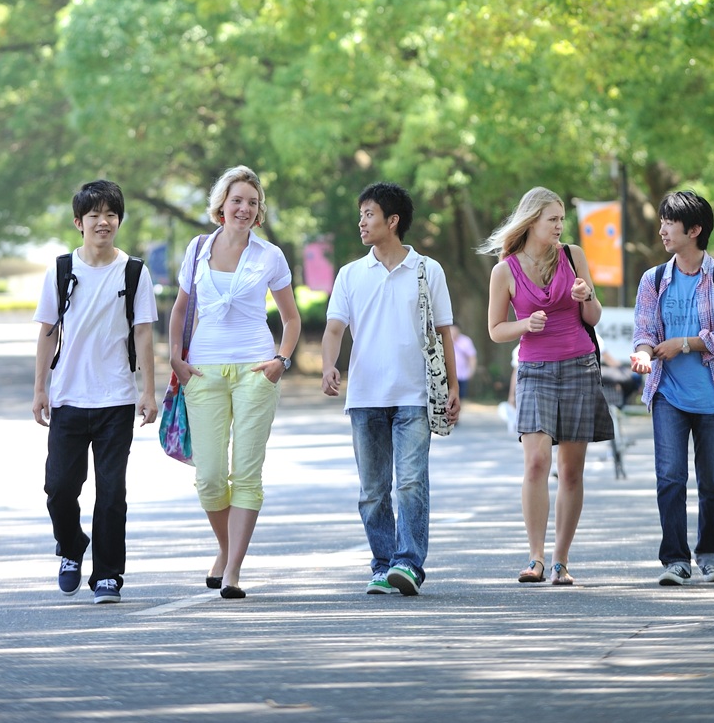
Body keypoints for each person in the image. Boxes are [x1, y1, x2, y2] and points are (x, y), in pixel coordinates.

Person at [168, 164, 300, 600]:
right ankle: (225, 550)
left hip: (255, 371)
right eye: (237, 200)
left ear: (259, 212)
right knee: (209, 476)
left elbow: (291, 318)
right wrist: (175, 358)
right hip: (203, 371)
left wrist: (281, 359)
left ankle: (233, 571)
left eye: (252, 203)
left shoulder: (270, 256)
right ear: (221, 205)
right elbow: (180, 308)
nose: (244, 208)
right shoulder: (197, 248)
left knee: (246, 472)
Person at [321, 181, 460, 597]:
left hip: (414, 395)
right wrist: (329, 365)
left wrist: (453, 386)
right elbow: (333, 327)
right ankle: (382, 564)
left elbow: (443, 332)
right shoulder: (350, 274)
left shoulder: (427, 269)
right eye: (361, 214)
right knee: (373, 491)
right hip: (364, 397)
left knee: (412, 482)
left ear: (392, 221)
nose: (361, 222)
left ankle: (408, 563)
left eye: (369, 214)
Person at [33, 178, 158, 604]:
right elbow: (47, 333)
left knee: (111, 493)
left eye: (110, 214)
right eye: (94, 215)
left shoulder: (135, 272)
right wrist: (40, 389)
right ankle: (71, 547)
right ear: (78, 223)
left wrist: (148, 391)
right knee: (59, 488)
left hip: (116, 399)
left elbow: (143, 334)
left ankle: (108, 575)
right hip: (68, 397)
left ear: (119, 220)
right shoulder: (61, 269)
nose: (103, 222)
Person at [484, 186, 610, 587]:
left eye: (561, 219)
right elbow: (495, 330)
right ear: (532, 220)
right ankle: (535, 558)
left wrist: (586, 294)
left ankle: (560, 561)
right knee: (536, 462)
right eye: (552, 219)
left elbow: (594, 316)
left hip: (578, 366)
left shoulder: (574, 256)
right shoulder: (504, 270)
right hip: (535, 370)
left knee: (571, 471)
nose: (559, 226)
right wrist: (525, 324)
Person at [630, 190, 714, 586]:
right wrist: (645, 354)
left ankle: (710, 555)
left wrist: (686, 343)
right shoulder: (654, 279)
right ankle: (675, 560)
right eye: (662, 220)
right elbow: (644, 331)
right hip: (668, 395)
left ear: (694, 230)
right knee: (670, 477)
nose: (662, 228)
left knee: (711, 481)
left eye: (670, 222)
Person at [451, 324, 478, 405]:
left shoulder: (466, 341)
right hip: (449, 374)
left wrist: (471, 371)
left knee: (461, 395)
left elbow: (472, 357)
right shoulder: (445, 340)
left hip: (462, 374)